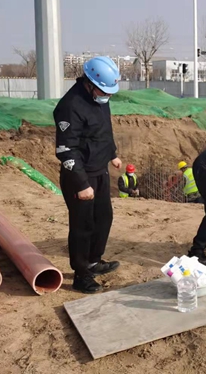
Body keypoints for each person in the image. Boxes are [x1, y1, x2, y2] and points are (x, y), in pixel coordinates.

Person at [53, 56, 122, 294]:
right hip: (79, 175)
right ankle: (81, 274)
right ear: (90, 83)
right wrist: (82, 184)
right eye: (104, 91)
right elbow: (66, 149)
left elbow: (103, 130)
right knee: (83, 225)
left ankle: (94, 261)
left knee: (103, 218)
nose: (108, 95)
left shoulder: (100, 98)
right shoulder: (70, 106)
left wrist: (112, 154)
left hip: (99, 169)